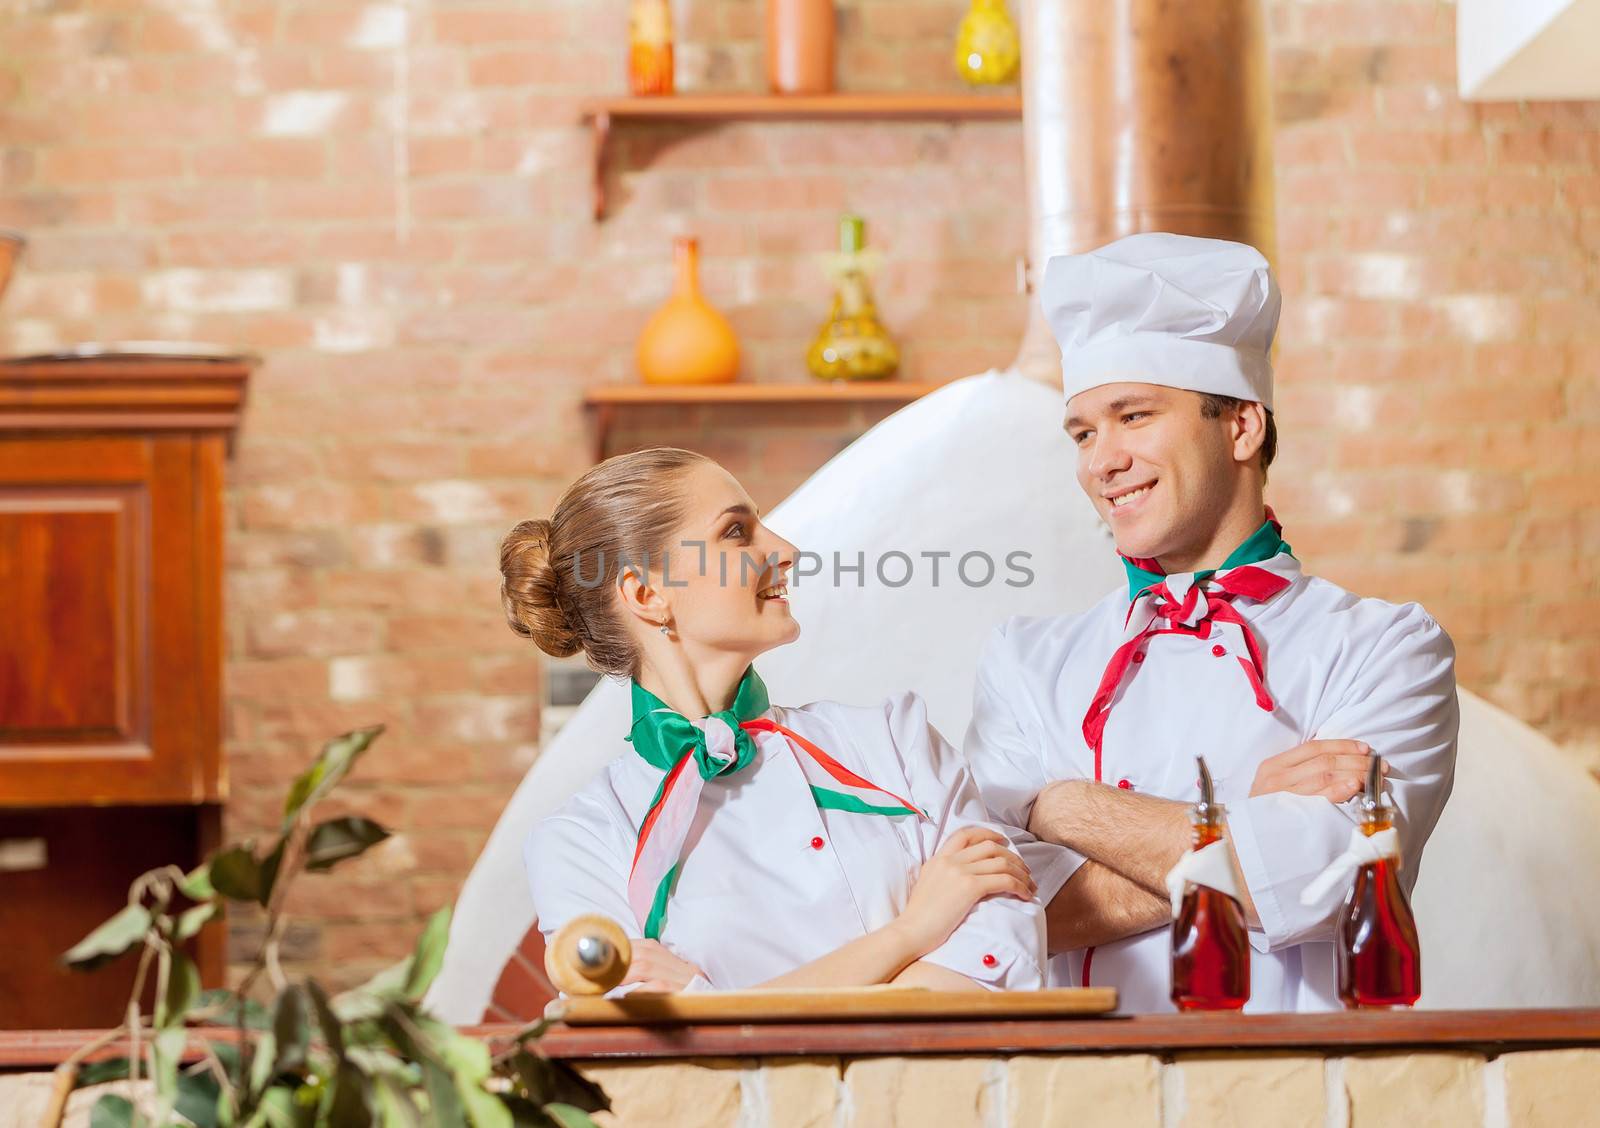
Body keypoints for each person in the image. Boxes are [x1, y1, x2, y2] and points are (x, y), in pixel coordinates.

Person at [966, 232, 1459, 1012]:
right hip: (1082, 1098)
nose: (1102, 462)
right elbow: (1002, 918)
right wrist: (1244, 826)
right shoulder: (1026, 661)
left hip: (1292, 1093)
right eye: (1085, 432)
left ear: (1241, 428)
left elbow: (1325, 883)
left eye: (1133, 416)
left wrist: (1055, 803)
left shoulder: (1388, 649)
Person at [504, 448, 1044, 994]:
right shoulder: (583, 840)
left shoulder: (895, 742)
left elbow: (1000, 966)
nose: (786, 551)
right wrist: (910, 934)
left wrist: (716, 1002)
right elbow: (654, 1063)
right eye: (737, 532)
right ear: (648, 594)